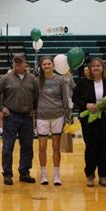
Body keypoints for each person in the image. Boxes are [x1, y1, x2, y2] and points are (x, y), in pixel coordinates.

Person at [73, 58, 106, 187]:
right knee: (90, 148)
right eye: (93, 66)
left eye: (98, 65)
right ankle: (90, 175)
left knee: (103, 149)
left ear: (103, 68)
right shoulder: (83, 83)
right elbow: (75, 98)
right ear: (90, 69)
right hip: (89, 121)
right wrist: (86, 105)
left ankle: (103, 176)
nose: (95, 68)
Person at [0, 53, 39, 185]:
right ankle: (7, 173)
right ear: (12, 63)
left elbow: (37, 96)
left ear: (25, 64)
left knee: (27, 146)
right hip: (11, 116)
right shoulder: (6, 78)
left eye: (20, 62)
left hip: (27, 117)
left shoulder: (32, 79)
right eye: (15, 62)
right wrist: (1, 108)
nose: (18, 64)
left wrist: (34, 109)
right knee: (8, 146)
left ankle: (24, 172)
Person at [36, 56, 70, 186]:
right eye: (44, 64)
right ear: (41, 66)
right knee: (42, 147)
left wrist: (67, 117)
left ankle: (57, 175)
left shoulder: (60, 80)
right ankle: (43, 174)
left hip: (58, 115)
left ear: (53, 65)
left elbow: (65, 99)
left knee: (56, 146)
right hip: (42, 116)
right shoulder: (37, 80)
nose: (46, 66)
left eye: (49, 64)